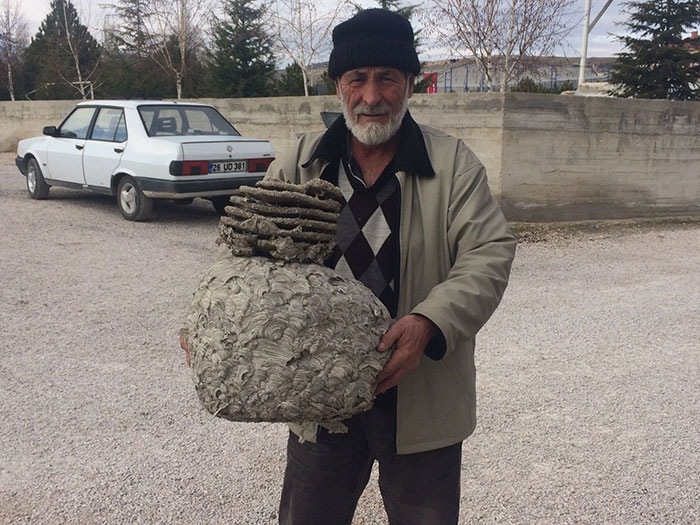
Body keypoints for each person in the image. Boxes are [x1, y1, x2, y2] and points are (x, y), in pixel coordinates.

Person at [183, 8, 516, 524]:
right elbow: (246, 252)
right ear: (338, 84)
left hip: (419, 391)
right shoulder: (300, 164)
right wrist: (215, 326)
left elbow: (488, 253)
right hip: (318, 399)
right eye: (357, 78)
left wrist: (430, 323)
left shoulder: (453, 166)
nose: (372, 95)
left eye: (388, 78)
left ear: (411, 83)